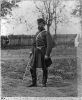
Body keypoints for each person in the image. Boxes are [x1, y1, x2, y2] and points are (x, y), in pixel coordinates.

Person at [29, 18, 53, 87]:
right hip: (36, 52)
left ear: (43, 24)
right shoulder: (37, 33)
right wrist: (31, 51)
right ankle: (34, 83)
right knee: (32, 67)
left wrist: (47, 54)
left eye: (40, 24)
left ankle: (44, 83)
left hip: (43, 52)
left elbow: (49, 45)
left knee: (44, 67)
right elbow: (34, 43)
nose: (39, 25)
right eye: (38, 24)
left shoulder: (46, 33)